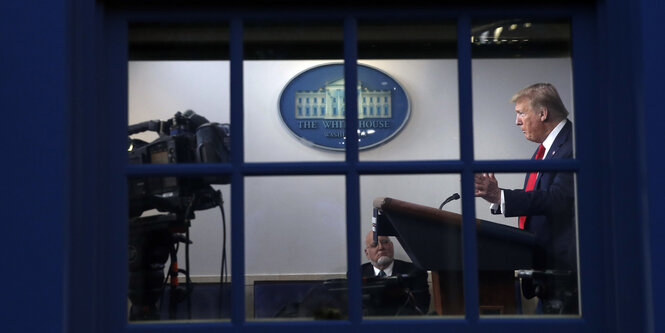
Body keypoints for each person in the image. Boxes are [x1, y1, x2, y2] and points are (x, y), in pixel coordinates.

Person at [474, 82, 577, 313]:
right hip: (546, 274)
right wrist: (497, 199)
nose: (517, 121)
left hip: (566, 274)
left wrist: (501, 195)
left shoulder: (573, 146)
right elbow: (540, 201)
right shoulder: (544, 150)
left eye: (521, 113)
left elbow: (558, 198)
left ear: (543, 113)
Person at [361, 231, 430, 315]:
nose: (381, 247)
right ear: (367, 253)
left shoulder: (414, 272)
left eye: (385, 242)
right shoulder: (358, 274)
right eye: (374, 245)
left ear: (392, 246)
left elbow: (421, 308)